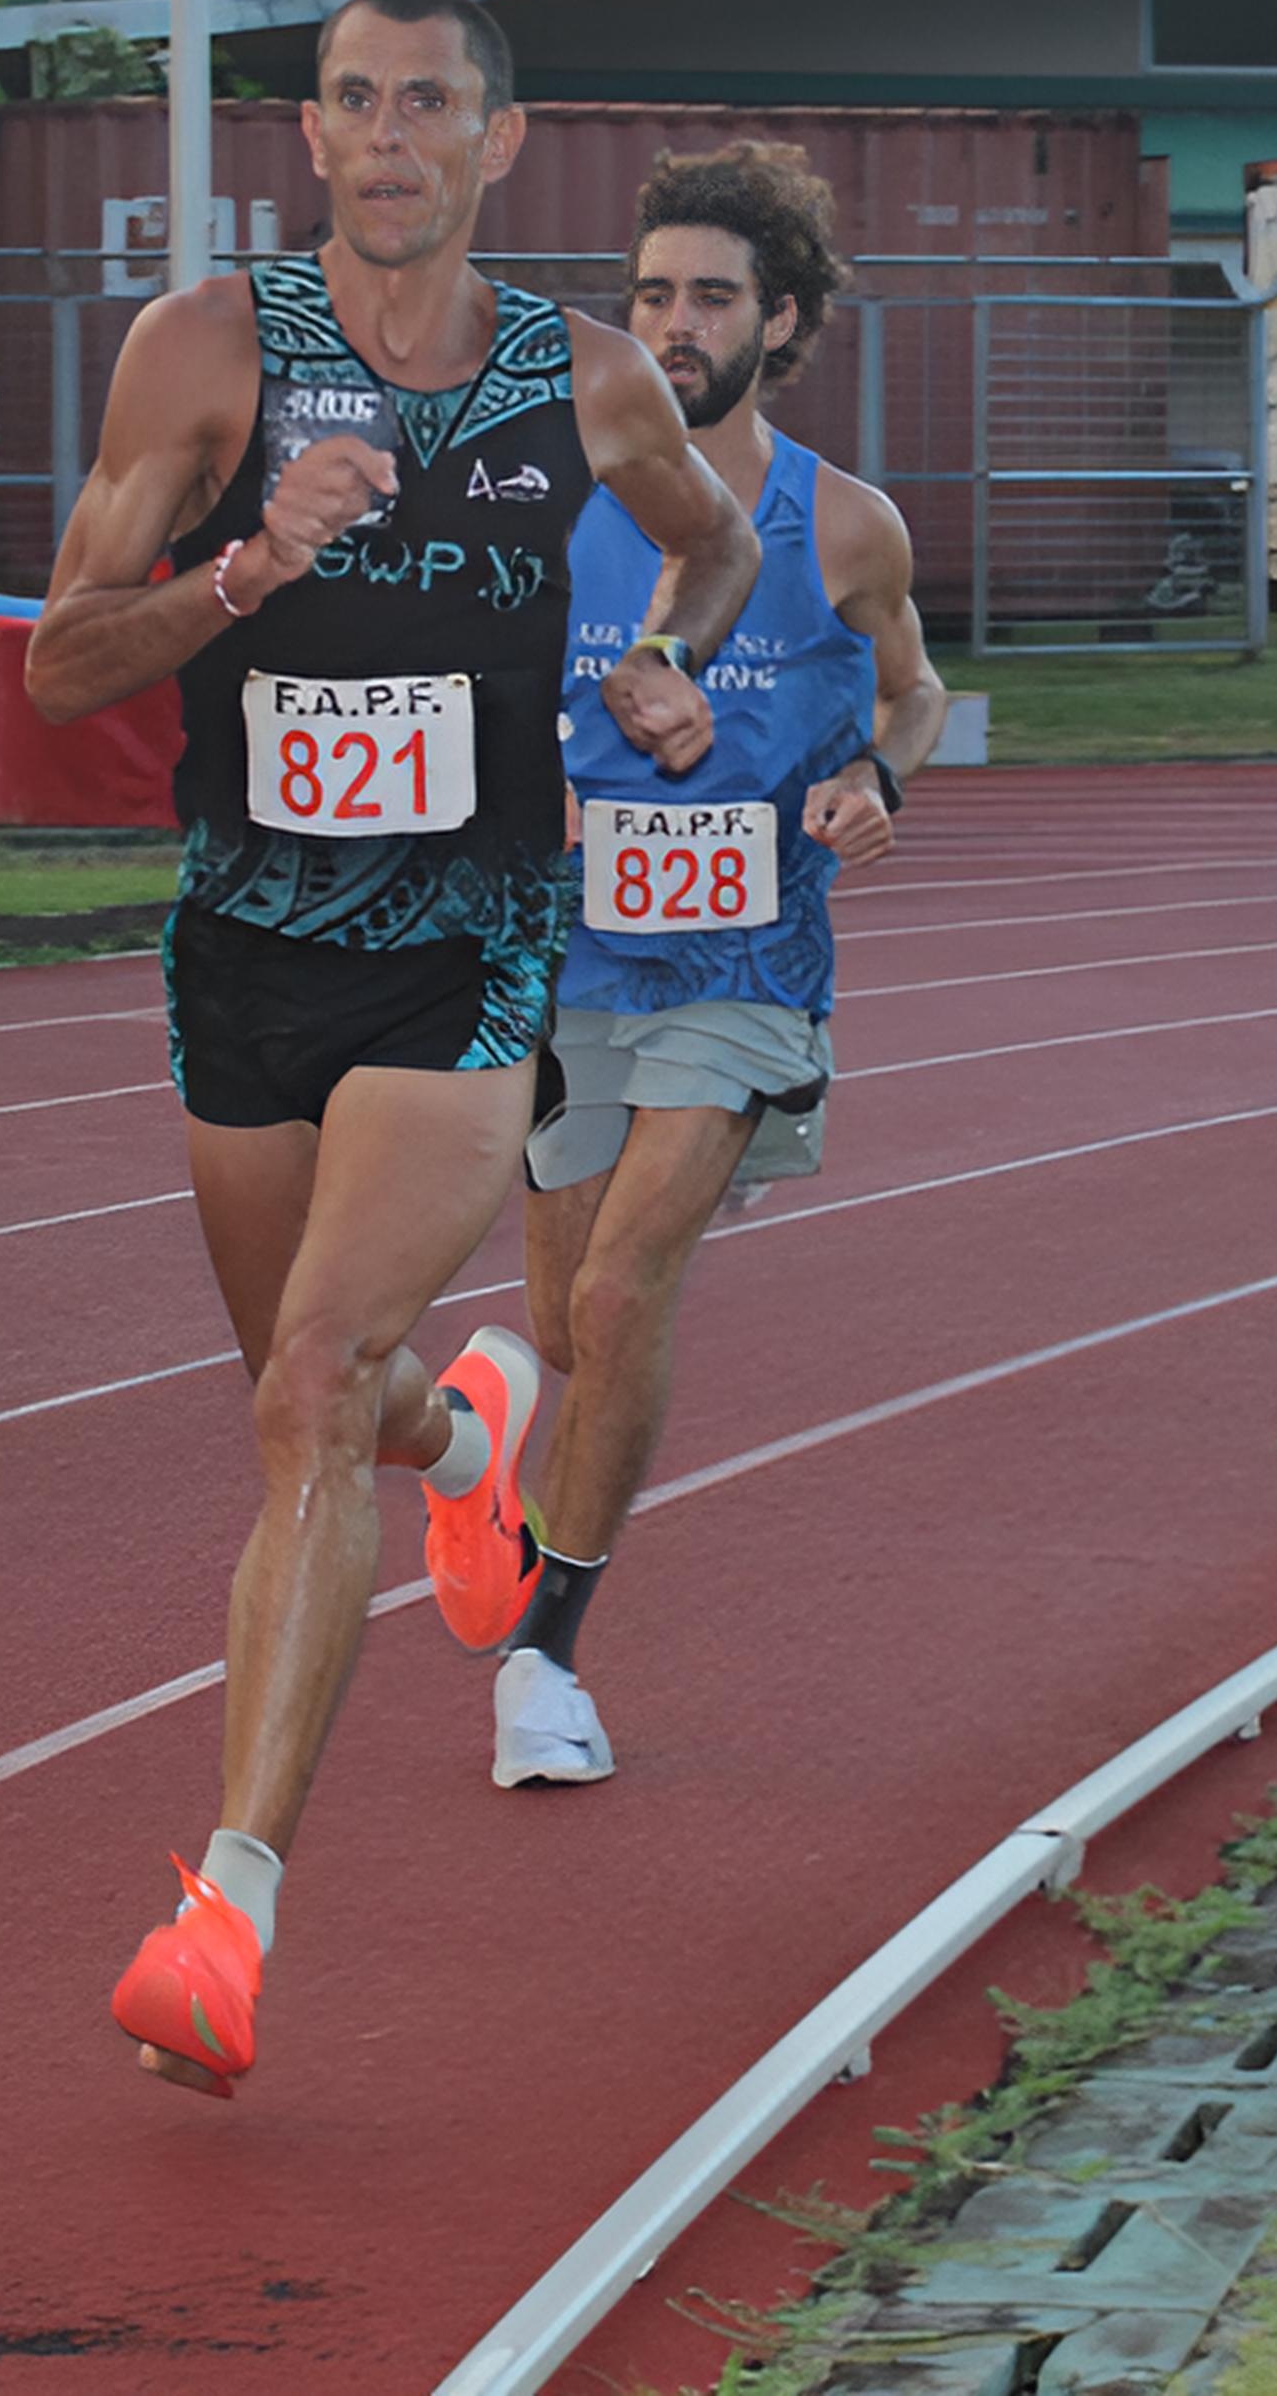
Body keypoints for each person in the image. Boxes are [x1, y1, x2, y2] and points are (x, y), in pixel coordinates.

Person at [22, 0, 758, 2099]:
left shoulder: (587, 378)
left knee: (306, 1384)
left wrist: (655, 672)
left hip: (474, 941)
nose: (384, 134)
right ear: (314, 134)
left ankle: (226, 1912)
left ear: (497, 144)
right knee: (323, 1404)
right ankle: (468, 1447)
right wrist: (252, 564)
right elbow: (65, 667)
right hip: (244, 943)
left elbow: (709, 555)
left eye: (427, 102)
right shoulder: (209, 350)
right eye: (350, 99)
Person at [489, 144, 950, 1788]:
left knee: (622, 1290)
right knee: (560, 1320)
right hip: (570, 956)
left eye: (711, 298)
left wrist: (875, 779)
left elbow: (912, 691)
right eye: (652, 294)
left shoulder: (844, 523)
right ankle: (492, 1455)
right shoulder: (559, 498)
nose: (674, 324)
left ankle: (544, 1658)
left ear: (786, 321)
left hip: (749, 968)